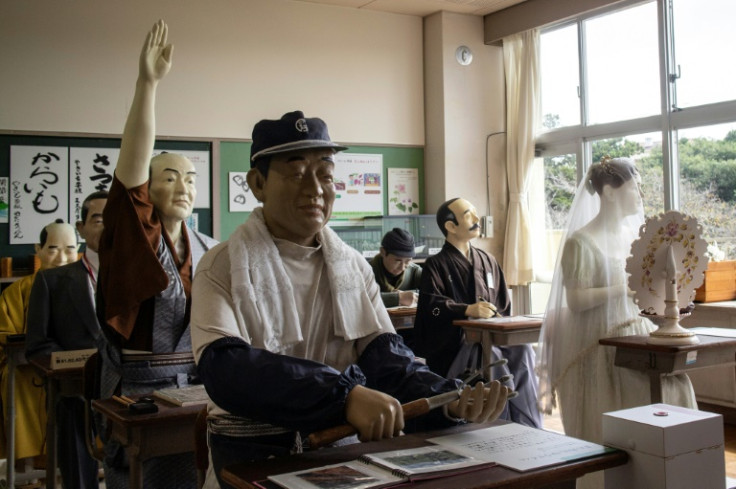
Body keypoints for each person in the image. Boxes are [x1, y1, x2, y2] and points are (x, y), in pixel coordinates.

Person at [190, 110, 510, 489]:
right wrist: (344, 397)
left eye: (325, 174)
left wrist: (448, 398)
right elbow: (227, 369)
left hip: (337, 453)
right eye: (296, 173)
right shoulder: (222, 264)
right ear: (257, 184)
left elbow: (386, 359)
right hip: (250, 457)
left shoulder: (351, 268)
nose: (315, 189)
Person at [94, 20, 217, 489]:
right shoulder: (135, 236)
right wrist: (148, 85)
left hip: (198, 391)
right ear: (148, 186)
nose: (182, 185)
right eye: (168, 175)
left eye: (189, 177)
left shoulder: (208, 248)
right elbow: (128, 182)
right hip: (140, 395)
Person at [537, 157, 696, 489]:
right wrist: (623, 286)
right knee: (616, 414)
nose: (639, 194)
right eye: (633, 186)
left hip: (638, 331)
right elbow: (577, 300)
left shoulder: (636, 241)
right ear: (609, 191)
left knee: (668, 391)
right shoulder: (580, 242)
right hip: (598, 341)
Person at [413, 197, 542, 428]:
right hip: (458, 344)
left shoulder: (488, 260)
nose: (476, 219)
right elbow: (430, 306)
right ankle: (501, 423)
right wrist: (467, 310)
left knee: (523, 350)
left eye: (475, 212)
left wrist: (498, 318)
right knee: (494, 357)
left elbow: (503, 305)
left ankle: (529, 423)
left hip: (492, 335)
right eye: (467, 215)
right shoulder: (435, 264)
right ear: (450, 227)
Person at [25, 191, 109, 489]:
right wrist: (74, 366)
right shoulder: (52, 281)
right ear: (82, 227)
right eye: (99, 219)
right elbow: (37, 344)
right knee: (78, 476)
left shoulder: (140, 279)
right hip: (75, 396)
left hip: (129, 394)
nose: (109, 224)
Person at [0, 219, 79, 466]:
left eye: (70, 249)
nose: (62, 257)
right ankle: (29, 463)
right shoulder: (17, 291)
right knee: (17, 383)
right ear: (39, 249)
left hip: (76, 367)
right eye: (54, 249)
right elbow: (5, 332)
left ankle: (89, 458)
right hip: (27, 369)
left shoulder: (88, 288)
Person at [370, 228, 422, 308]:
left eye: (407, 261)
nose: (402, 267)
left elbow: (436, 293)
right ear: (383, 252)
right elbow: (359, 299)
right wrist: (398, 298)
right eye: (398, 260)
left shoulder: (415, 272)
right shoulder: (366, 272)